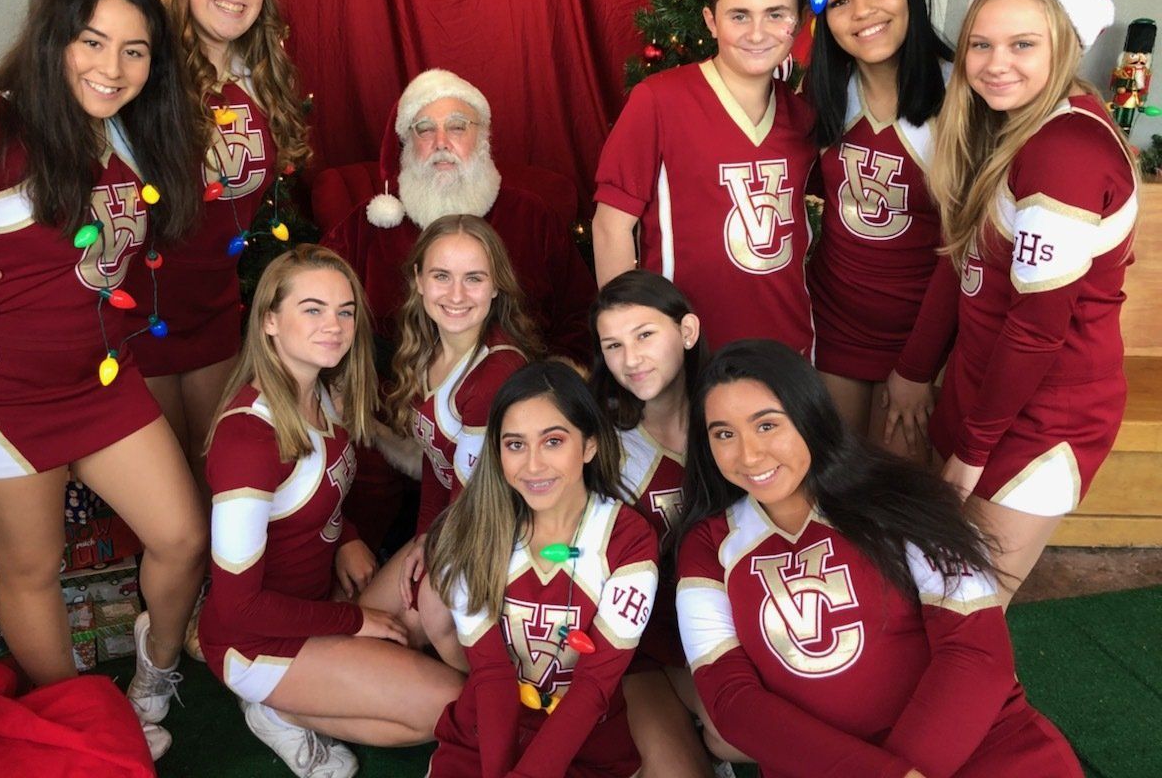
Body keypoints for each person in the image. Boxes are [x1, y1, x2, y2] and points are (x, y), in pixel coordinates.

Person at [0, 0, 208, 759]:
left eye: (135, 51)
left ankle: (154, 672)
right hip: (3, 403)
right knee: (32, 570)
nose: (112, 67)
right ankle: (79, 720)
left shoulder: (132, 123)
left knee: (182, 536)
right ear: (55, 37)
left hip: (101, 385)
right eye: (93, 42)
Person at [0, 0, 309, 492]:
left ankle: (221, 586)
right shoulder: (134, 72)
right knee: (167, 498)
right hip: (136, 315)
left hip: (217, 309)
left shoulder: (262, 71)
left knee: (217, 466)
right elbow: (24, 141)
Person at [674, 341, 1082, 778]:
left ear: (810, 416)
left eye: (768, 425)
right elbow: (733, 703)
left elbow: (976, 653)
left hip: (985, 751)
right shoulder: (705, 547)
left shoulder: (898, 496)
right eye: (724, 434)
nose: (749, 455)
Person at [898, 0, 1136, 603]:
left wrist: (971, 454)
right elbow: (962, 263)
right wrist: (915, 372)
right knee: (934, 590)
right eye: (981, 43)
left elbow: (1035, 330)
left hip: (1038, 416)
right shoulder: (1010, 126)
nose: (996, 63)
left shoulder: (1065, 152)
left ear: (1066, 46)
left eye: (1023, 44)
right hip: (983, 393)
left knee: (964, 613)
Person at [197, 244, 463, 778]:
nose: (334, 326)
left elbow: (316, 497)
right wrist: (356, 620)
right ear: (269, 320)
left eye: (345, 311)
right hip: (257, 643)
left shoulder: (324, 392)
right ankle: (280, 707)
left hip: (319, 602)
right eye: (312, 309)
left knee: (436, 552)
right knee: (455, 708)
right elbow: (236, 609)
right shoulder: (247, 440)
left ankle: (320, 690)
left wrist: (347, 538)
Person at [323, 69, 596, 548]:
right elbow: (314, 306)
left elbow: (582, 315)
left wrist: (548, 392)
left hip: (506, 429)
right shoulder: (367, 226)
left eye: (458, 126)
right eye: (424, 130)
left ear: (483, 138)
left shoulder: (532, 218)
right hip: (387, 430)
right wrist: (349, 392)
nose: (441, 142)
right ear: (408, 144)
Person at [424, 361, 659, 778]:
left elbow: (592, 688)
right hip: (485, 738)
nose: (532, 466)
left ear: (588, 446)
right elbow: (493, 673)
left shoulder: (628, 539)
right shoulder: (475, 530)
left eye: (553, 441)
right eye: (515, 445)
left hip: (588, 747)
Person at [592, 0, 817, 352]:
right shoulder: (659, 100)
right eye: (739, 15)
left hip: (788, 347)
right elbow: (610, 227)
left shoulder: (803, 116)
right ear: (711, 21)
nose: (757, 33)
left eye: (775, 14)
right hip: (690, 349)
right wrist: (630, 340)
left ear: (798, 20)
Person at [803, 0, 953, 456]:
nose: (863, 12)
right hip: (835, 326)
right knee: (837, 483)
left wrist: (917, 369)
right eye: (840, 1)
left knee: (899, 502)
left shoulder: (960, 97)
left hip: (920, 341)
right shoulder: (823, 94)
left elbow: (964, 256)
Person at [357, 215, 540, 647]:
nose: (456, 295)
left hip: (497, 538)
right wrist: (423, 535)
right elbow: (437, 462)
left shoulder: (495, 373)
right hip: (453, 524)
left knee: (402, 634)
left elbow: (473, 493)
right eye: (442, 276)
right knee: (365, 625)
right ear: (418, 280)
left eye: (473, 278)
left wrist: (433, 545)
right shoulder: (430, 349)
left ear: (496, 286)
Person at [589, 271, 741, 777]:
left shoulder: (732, 416)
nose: (630, 359)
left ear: (688, 332)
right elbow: (563, 552)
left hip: (734, 617)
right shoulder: (599, 444)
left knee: (737, 735)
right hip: (641, 641)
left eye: (645, 335)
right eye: (613, 345)